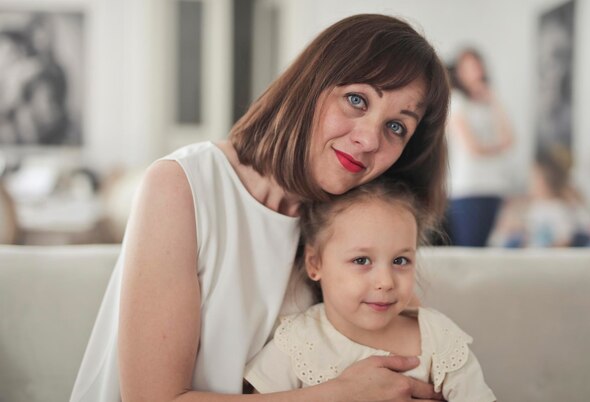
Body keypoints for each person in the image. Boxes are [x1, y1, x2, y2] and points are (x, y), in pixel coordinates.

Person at [70, 14, 450, 402]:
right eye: (356, 100)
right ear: (310, 85)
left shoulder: (351, 225)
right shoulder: (182, 184)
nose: (370, 139)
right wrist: (339, 395)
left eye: (397, 127)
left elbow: (410, 359)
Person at [244, 178, 496, 401]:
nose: (386, 281)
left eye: (400, 261)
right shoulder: (296, 341)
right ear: (315, 264)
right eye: (362, 261)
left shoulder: (438, 337)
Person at [445, 48, 515, 247]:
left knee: (485, 250)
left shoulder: (491, 102)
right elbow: (473, 148)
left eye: (477, 65)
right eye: (468, 67)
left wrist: (494, 100)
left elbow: (509, 138)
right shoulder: (456, 101)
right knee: (469, 248)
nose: (475, 71)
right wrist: (497, 147)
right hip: (468, 187)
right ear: (459, 72)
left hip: (494, 186)